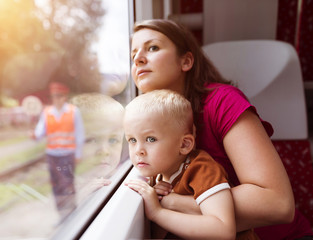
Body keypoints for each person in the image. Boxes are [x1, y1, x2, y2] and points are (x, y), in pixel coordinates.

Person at [130, 19, 313, 239]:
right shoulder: (147, 127)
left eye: (152, 48)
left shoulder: (222, 101)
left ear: (186, 61)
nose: (138, 59)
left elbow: (277, 204)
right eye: (133, 56)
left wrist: (171, 203)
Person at [125, 89, 261, 239]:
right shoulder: (159, 173)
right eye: (132, 140)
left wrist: (158, 213)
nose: (138, 151)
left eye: (150, 139)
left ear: (184, 144)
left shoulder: (201, 169)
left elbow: (223, 230)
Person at [31, 81, 85, 218]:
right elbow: (40, 131)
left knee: (67, 183)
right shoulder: (47, 112)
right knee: (56, 185)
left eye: (59, 96)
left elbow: (79, 134)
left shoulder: (73, 111)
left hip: (68, 154)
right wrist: (34, 135)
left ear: (64, 97)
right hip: (52, 155)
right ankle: (61, 213)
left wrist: (78, 154)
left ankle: (72, 211)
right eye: (54, 96)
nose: (56, 99)